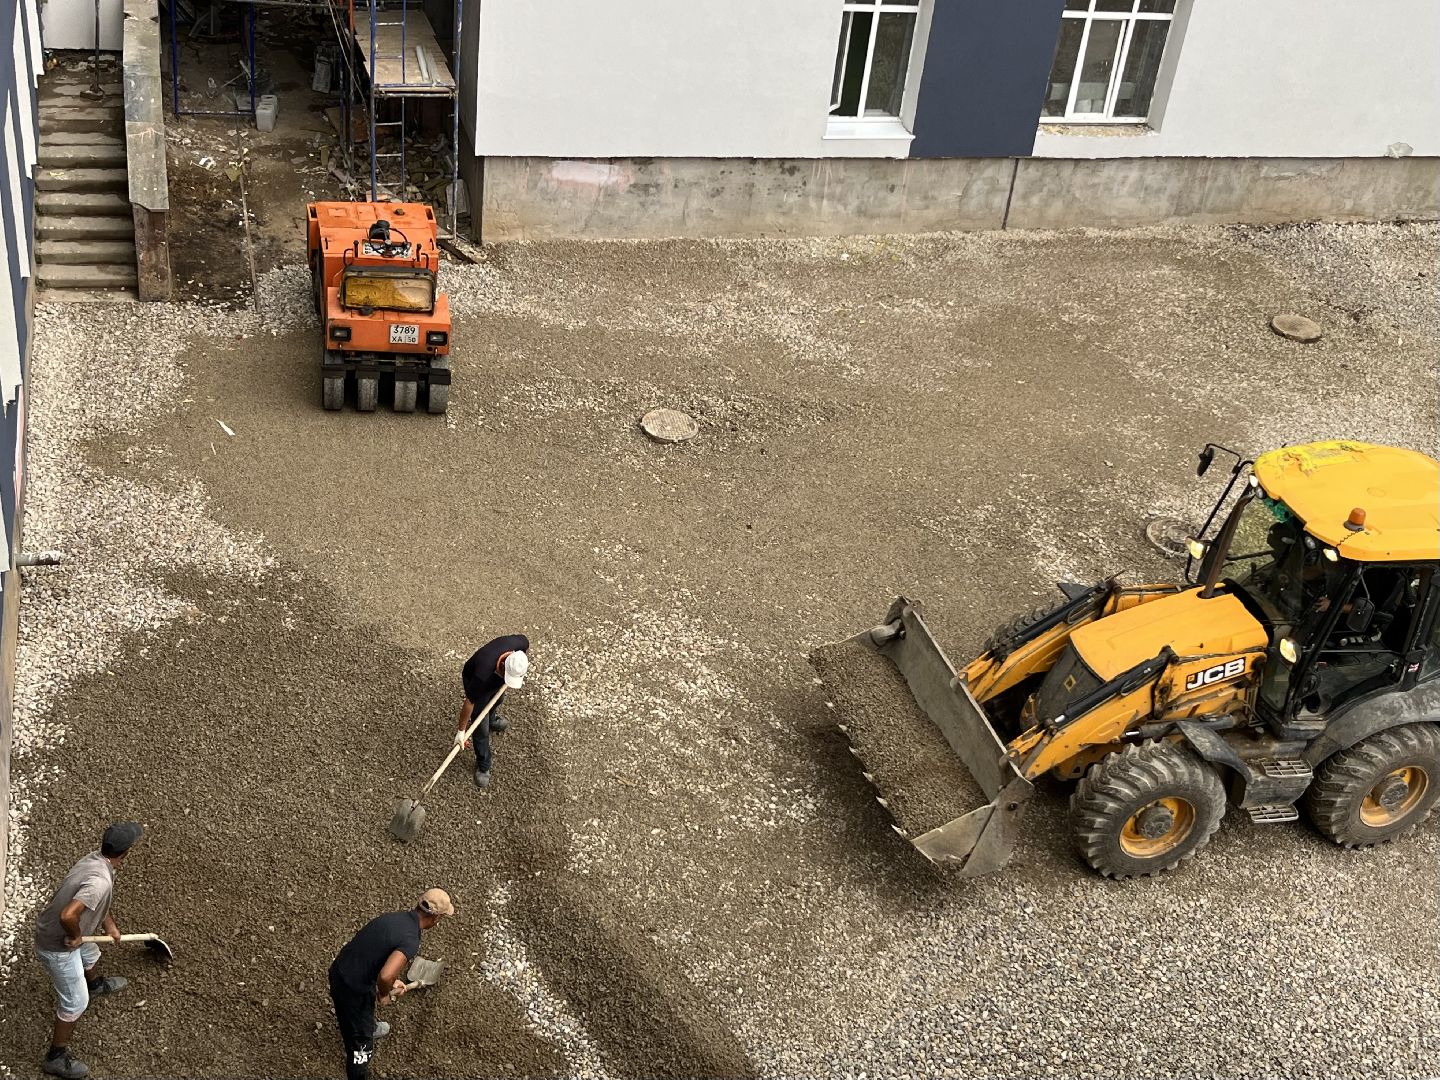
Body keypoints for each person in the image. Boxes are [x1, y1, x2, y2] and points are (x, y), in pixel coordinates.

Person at [33, 821, 144, 1080]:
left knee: (91, 953)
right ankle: (56, 1057)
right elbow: (68, 914)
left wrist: (111, 927)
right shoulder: (100, 880)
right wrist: (75, 936)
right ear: (126, 853)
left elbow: (95, 904)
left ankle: (94, 985)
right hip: (57, 946)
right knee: (75, 1002)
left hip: (62, 933)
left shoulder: (96, 860)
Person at [328, 889, 455, 1080]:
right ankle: (358, 1069)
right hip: (353, 988)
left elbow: (378, 953)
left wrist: (393, 978)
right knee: (361, 1046)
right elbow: (385, 976)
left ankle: (368, 1026)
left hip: (340, 969)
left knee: (357, 1012)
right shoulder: (410, 940)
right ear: (436, 918)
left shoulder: (393, 918)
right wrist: (384, 993)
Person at [454, 634, 529, 789]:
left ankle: (492, 719)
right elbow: (469, 702)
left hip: (496, 677)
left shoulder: (520, 644)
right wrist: (461, 731)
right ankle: (483, 765)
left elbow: (525, 649)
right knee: (480, 726)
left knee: (499, 699)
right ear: (502, 667)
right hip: (475, 680)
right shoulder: (482, 674)